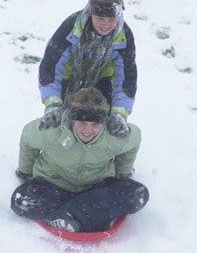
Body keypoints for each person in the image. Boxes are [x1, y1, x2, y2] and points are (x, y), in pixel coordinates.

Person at [11, 88, 149, 233]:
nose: (88, 130)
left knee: (138, 194)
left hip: (95, 189)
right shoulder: (52, 128)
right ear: (72, 118)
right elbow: (27, 137)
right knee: (21, 200)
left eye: (95, 124)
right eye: (82, 122)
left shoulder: (114, 134)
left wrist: (123, 172)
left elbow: (134, 139)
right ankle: (86, 215)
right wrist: (25, 170)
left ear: (103, 122)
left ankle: (67, 214)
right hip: (54, 186)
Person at [38, 0, 137, 138]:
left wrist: (120, 113)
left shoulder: (124, 37)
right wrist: (52, 103)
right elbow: (49, 67)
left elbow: (127, 80)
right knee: (60, 118)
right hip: (69, 78)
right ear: (91, 13)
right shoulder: (71, 27)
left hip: (103, 79)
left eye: (111, 20)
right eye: (100, 18)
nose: (105, 26)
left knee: (100, 122)